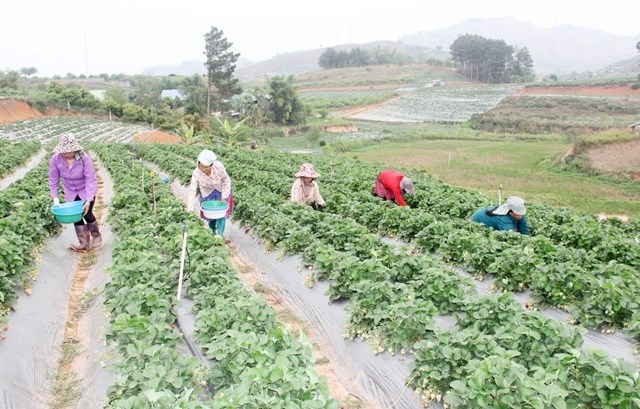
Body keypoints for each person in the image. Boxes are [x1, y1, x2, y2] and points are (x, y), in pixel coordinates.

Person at [48, 133, 102, 252]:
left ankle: (97, 237)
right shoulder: (56, 159)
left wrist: (89, 200)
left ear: (75, 149)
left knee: (87, 214)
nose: (67, 154)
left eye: (69, 152)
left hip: (85, 190)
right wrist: (55, 199)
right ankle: (84, 243)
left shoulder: (84, 158)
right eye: (64, 152)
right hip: (70, 191)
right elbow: (53, 179)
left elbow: (91, 179)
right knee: (76, 217)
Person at [187, 149, 234, 236]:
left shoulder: (218, 167)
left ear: (211, 165)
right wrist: (190, 208)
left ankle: (220, 235)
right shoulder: (196, 173)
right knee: (210, 215)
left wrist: (224, 197)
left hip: (221, 191)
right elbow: (192, 189)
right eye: (201, 166)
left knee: (221, 215)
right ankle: (212, 232)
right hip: (207, 193)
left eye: (206, 167)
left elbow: (226, 180)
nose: (203, 169)